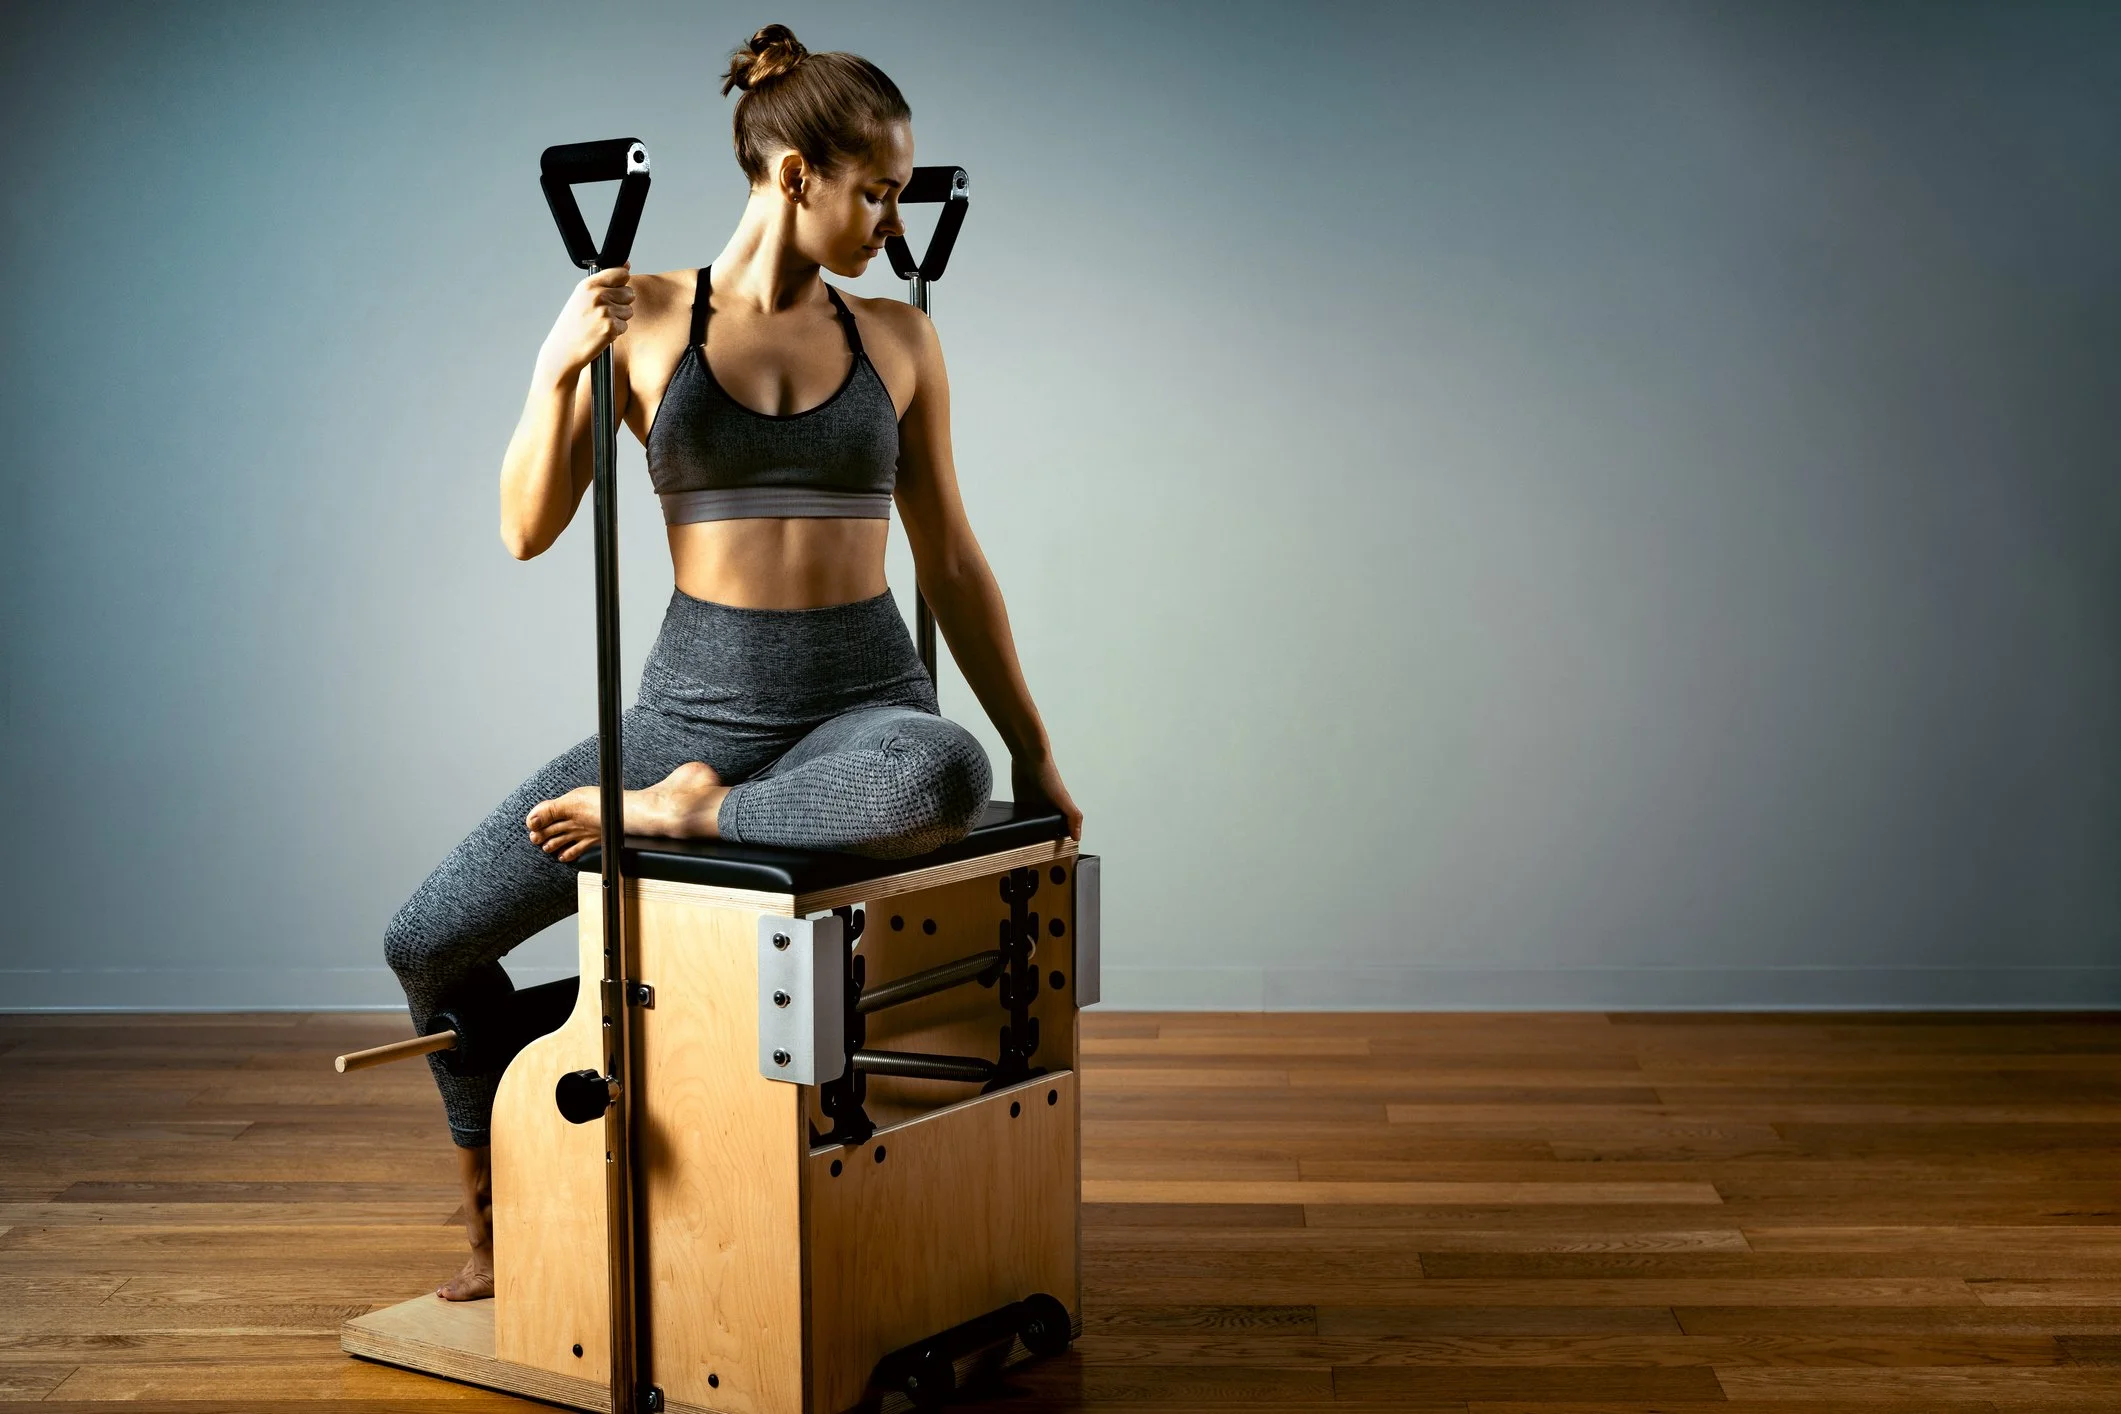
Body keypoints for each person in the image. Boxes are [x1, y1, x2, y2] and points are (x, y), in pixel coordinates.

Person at [383, 22, 1083, 1302]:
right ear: (796, 173)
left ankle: (687, 820)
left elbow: (957, 566)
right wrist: (553, 371)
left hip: (858, 711)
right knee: (425, 940)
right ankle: (492, 1202)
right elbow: (526, 529)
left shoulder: (898, 341)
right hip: (688, 706)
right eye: (874, 188)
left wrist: (1035, 754)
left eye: (900, 190)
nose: (891, 214)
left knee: (937, 777)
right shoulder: (640, 314)